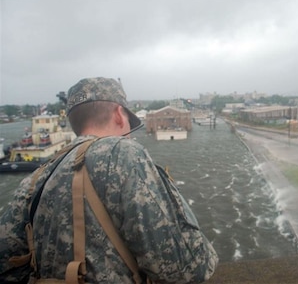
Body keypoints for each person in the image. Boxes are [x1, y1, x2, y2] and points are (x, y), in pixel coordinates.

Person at [0, 77, 218, 283]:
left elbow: (7, 267)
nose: (130, 134)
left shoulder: (33, 180)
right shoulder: (123, 153)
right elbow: (179, 268)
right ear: (118, 114)